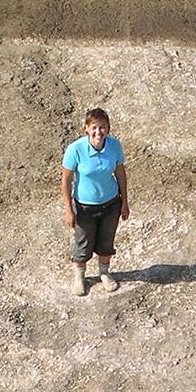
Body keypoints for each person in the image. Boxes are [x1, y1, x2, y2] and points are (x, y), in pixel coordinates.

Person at [61, 108, 130, 296]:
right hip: (84, 208)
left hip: (111, 204)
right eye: (94, 127)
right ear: (86, 128)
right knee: (83, 243)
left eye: (103, 127)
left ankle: (104, 273)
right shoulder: (75, 150)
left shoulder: (114, 146)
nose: (98, 132)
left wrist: (125, 201)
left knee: (106, 242)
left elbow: (120, 173)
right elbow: (66, 181)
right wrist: (69, 209)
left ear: (108, 128)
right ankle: (79, 278)